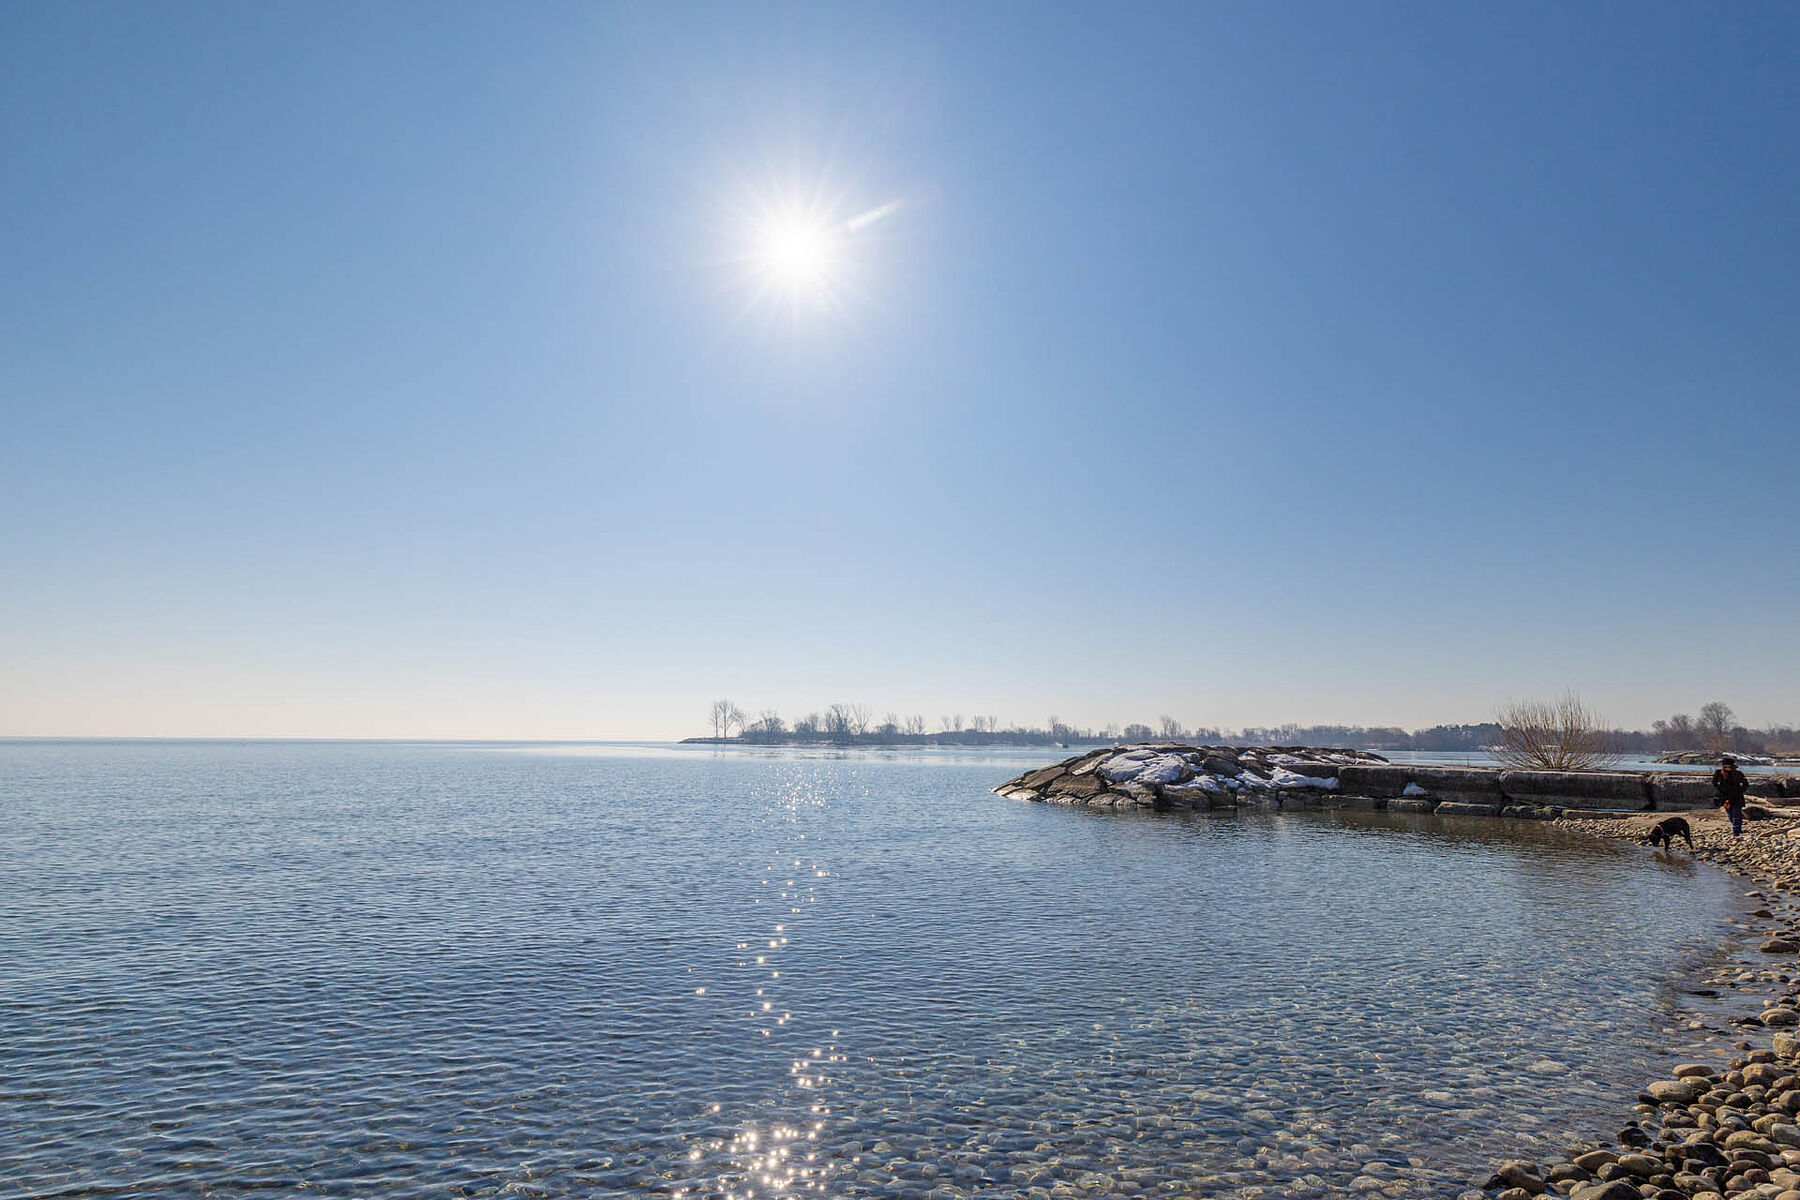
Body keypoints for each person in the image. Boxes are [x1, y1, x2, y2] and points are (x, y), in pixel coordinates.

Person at [1713, 755, 1752, 837]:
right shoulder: (1718, 773)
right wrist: (1720, 790)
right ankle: (1737, 827)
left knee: (1737, 814)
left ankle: (1736, 831)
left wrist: (1740, 791)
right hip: (1725, 797)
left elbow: (1745, 784)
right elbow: (1714, 782)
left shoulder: (1738, 774)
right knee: (1730, 814)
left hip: (1736, 797)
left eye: (1730, 767)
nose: (1728, 769)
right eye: (1726, 767)